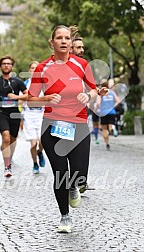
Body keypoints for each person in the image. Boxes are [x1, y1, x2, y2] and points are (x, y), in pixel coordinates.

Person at [28, 25, 108, 233]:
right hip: (52, 126)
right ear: (52, 42)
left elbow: (93, 89)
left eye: (67, 38)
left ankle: (74, 186)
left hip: (79, 125)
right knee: (60, 172)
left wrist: (88, 95)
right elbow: (30, 100)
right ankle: (64, 217)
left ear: (71, 43)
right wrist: (45, 98)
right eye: (59, 38)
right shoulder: (42, 68)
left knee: (80, 175)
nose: (64, 41)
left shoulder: (81, 64)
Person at [0, 55, 28, 177]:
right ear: (0, 66)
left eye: (8, 63)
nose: (6, 65)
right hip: (1, 113)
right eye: (4, 63)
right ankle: (7, 166)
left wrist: (17, 97)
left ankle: (7, 153)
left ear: (12, 66)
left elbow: (27, 95)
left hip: (14, 113)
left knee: (12, 139)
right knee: (5, 137)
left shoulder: (18, 82)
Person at [23, 61, 45, 174]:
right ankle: (35, 163)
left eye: (37, 68)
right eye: (32, 68)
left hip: (41, 114)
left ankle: (40, 152)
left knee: (42, 140)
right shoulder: (25, 84)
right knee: (33, 143)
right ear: (29, 70)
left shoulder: (44, 83)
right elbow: (22, 99)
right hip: (29, 115)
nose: (34, 70)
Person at [96, 79, 120, 150]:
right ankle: (112, 128)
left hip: (103, 113)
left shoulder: (100, 93)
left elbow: (98, 103)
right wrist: (113, 106)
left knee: (104, 129)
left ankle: (107, 144)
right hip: (112, 112)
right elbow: (118, 101)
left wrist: (97, 109)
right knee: (110, 125)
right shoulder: (112, 92)